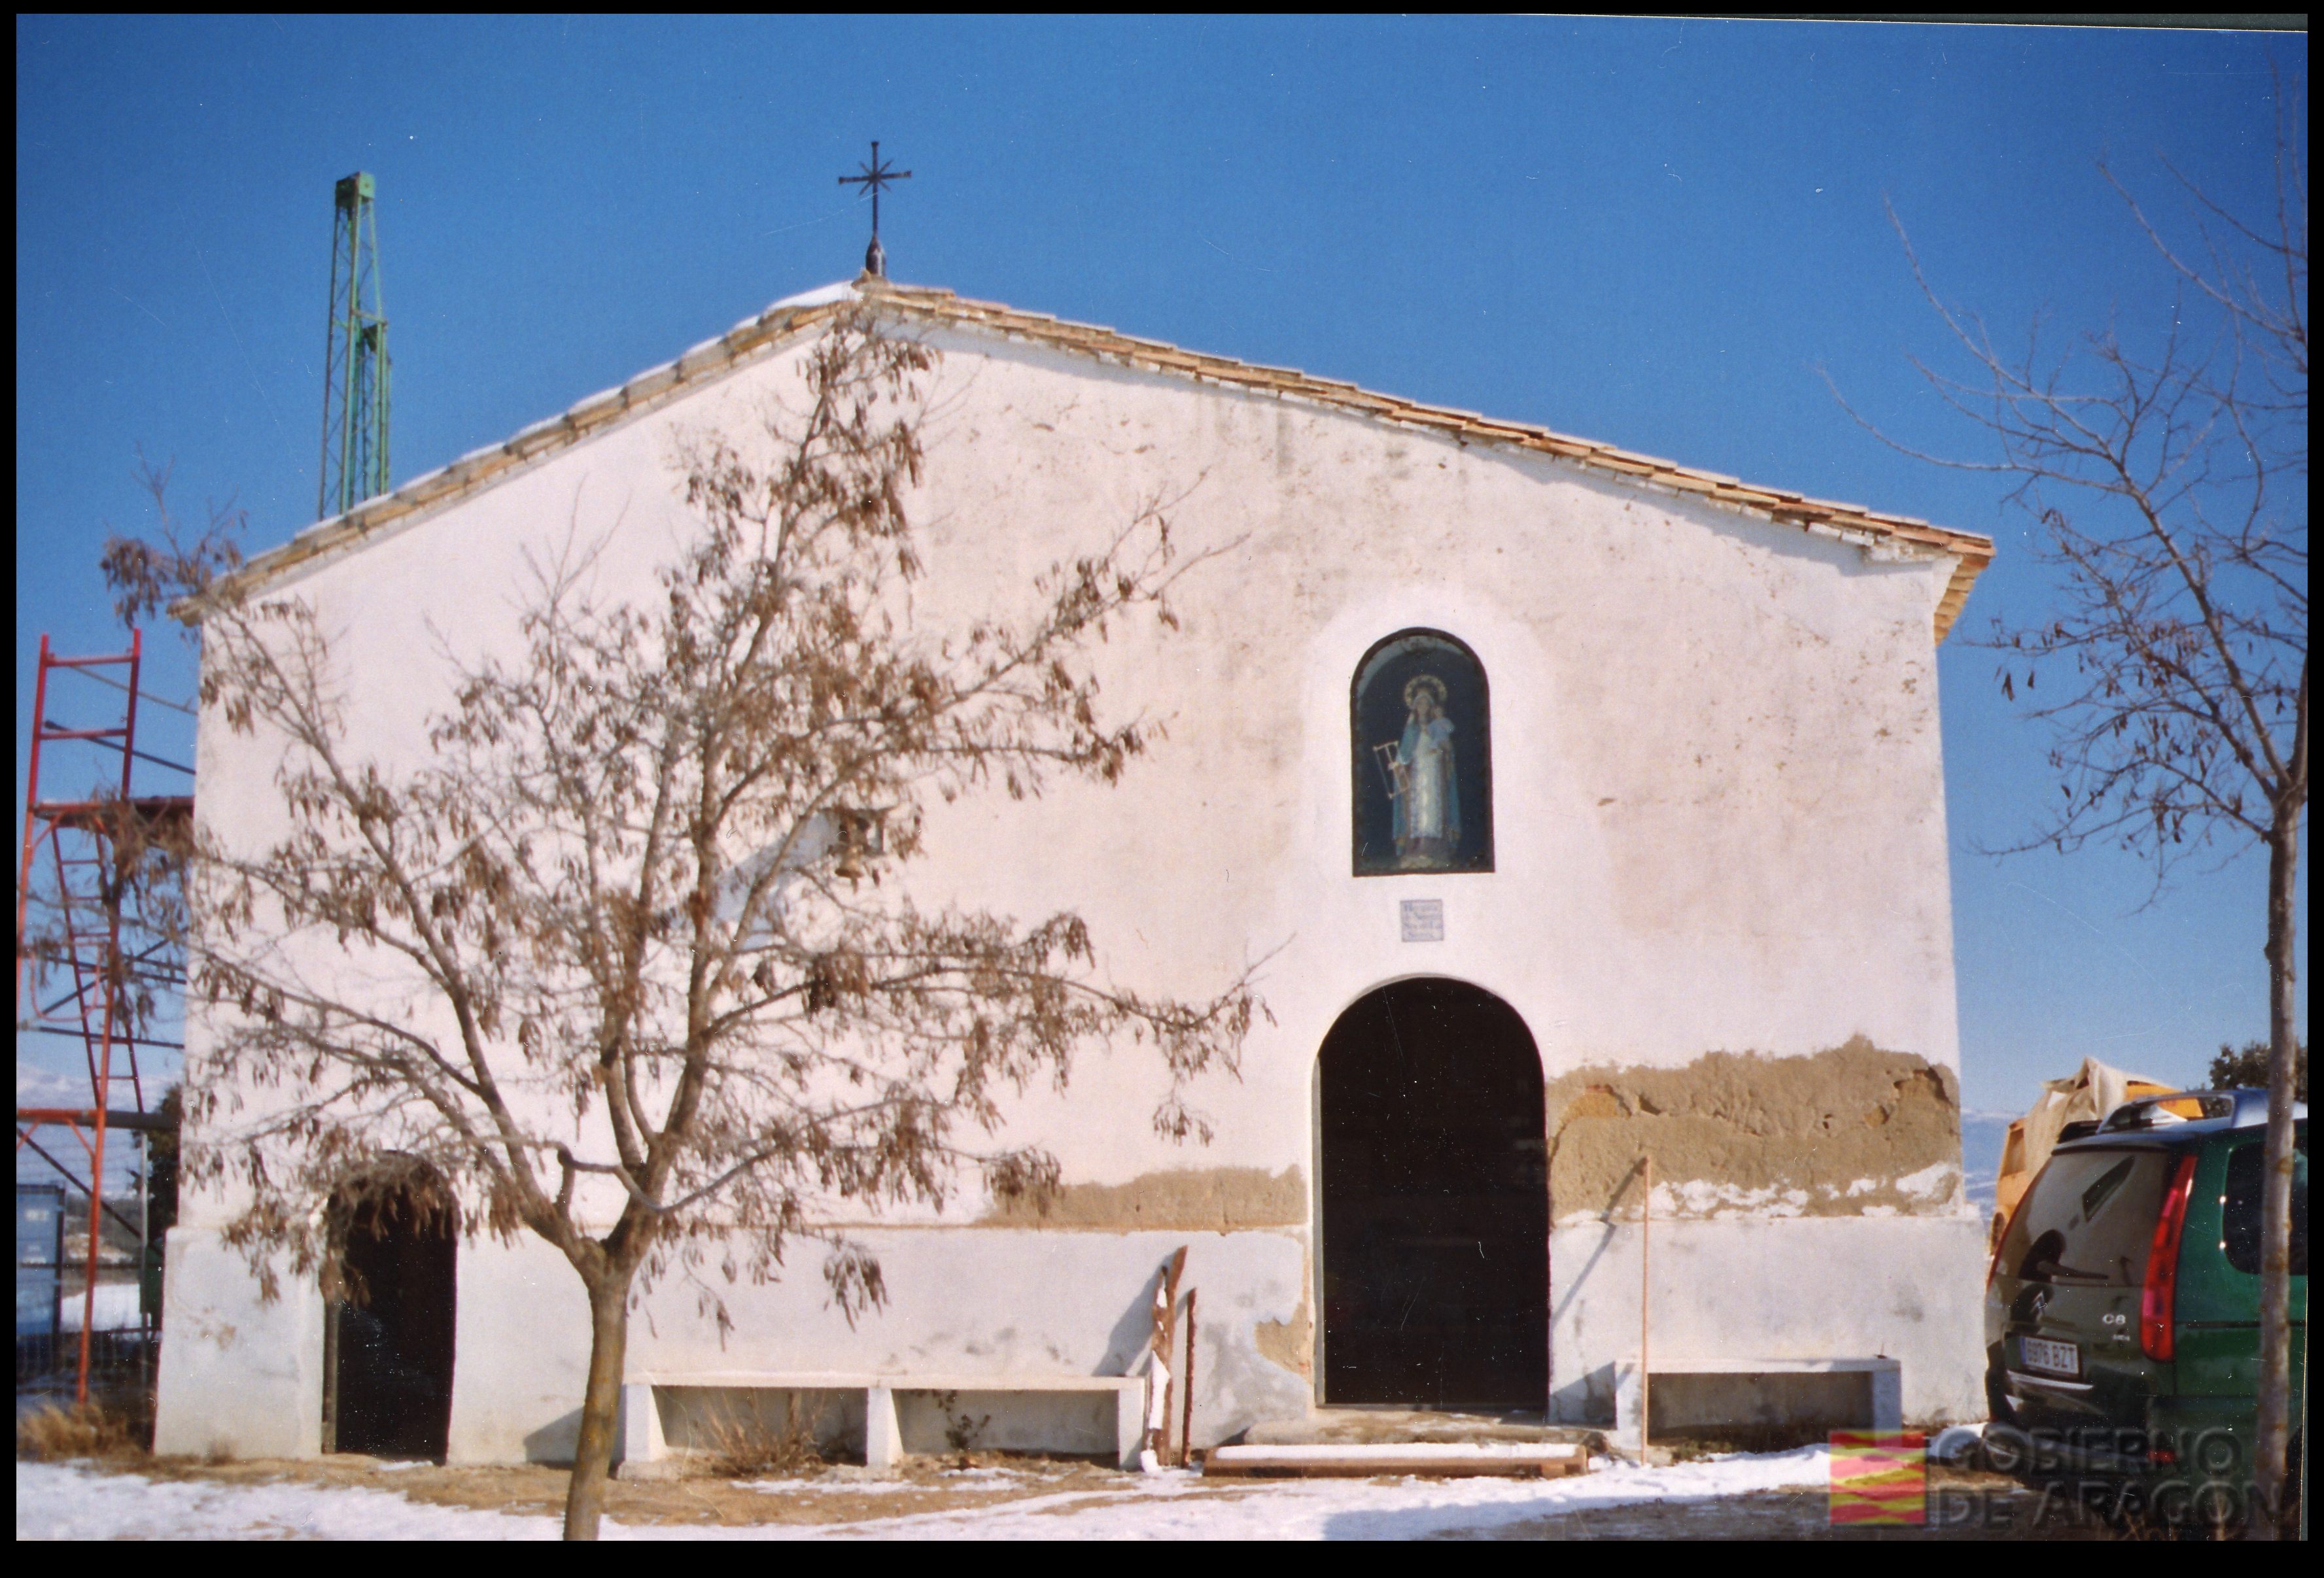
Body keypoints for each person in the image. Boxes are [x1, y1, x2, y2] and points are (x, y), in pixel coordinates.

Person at [1387, 674, 1458, 868]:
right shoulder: (1411, 728)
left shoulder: (1439, 725)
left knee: (1434, 809)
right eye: (1420, 704)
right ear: (1415, 707)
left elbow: (1447, 748)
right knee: (1417, 810)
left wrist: (1444, 751)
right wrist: (1398, 764)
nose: (1423, 708)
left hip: (1435, 772)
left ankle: (1435, 852)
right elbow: (1404, 752)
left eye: (1427, 704)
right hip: (1417, 774)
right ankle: (1415, 851)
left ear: (1432, 707)